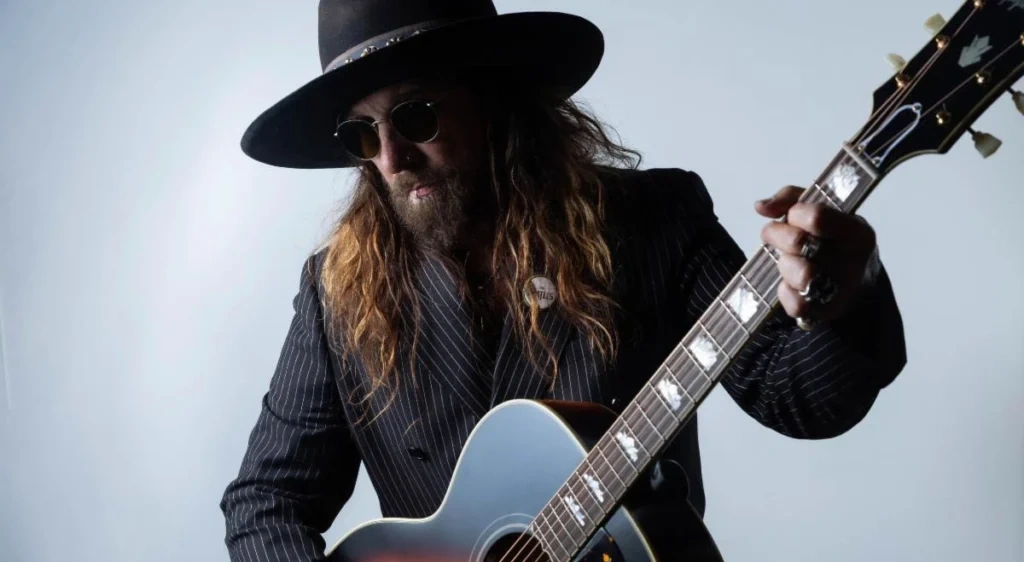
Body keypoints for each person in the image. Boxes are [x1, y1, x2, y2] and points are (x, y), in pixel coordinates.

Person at [219, 1, 907, 560]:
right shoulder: (336, 291)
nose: (392, 159)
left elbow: (800, 398)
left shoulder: (653, 221)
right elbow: (266, 503)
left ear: (492, 97)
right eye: (362, 136)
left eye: (415, 116)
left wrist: (845, 292)